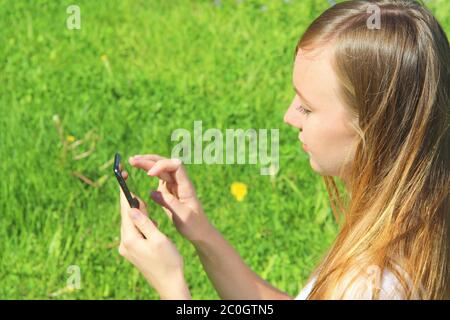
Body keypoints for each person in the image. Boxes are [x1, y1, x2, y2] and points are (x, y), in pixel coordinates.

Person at [117, 0, 449, 300]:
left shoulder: (375, 285)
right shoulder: (409, 225)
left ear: (374, 125)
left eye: (307, 107)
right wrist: (202, 233)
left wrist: (172, 286)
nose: (289, 117)